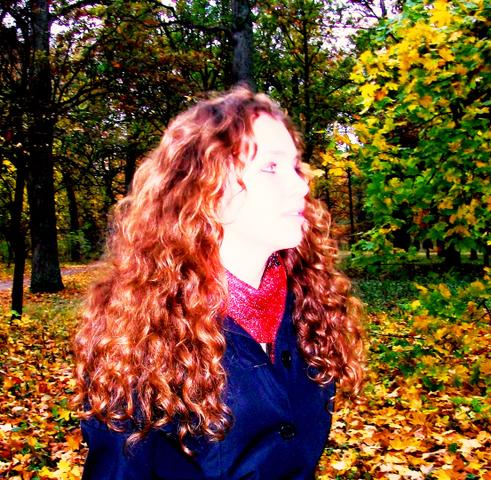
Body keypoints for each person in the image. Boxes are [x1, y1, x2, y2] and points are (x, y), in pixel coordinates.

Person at [74, 86, 365, 480]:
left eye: (295, 167)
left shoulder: (310, 310)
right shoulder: (139, 333)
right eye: (271, 167)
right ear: (204, 186)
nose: (301, 186)